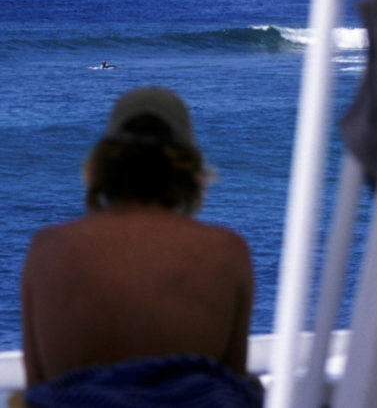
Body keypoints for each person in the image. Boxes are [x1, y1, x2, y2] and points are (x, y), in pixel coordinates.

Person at [19, 87, 261, 405]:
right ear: (188, 165)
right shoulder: (227, 251)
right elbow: (231, 381)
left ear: (103, 163)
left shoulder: (48, 248)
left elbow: (38, 387)